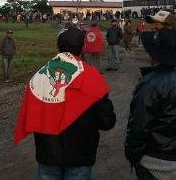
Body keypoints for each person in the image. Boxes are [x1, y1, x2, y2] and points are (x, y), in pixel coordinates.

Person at [14, 27, 116, 180]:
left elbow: (31, 114)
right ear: (83, 47)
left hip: (47, 154)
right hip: (80, 155)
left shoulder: (40, 75)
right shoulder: (92, 76)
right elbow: (107, 121)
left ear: (58, 46)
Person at [125, 28, 176, 180]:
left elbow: (139, 126)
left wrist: (133, 155)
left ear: (153, 55)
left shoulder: (150, 84)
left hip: (156, 160)